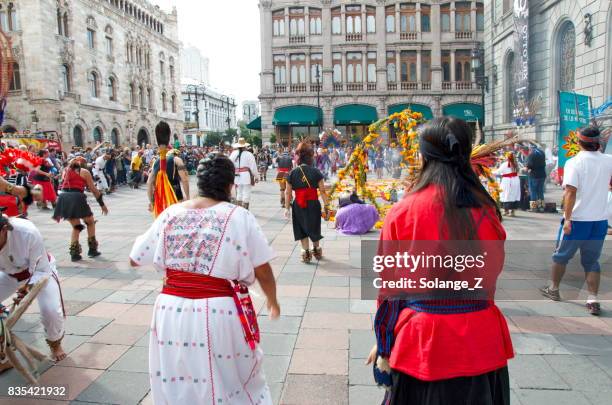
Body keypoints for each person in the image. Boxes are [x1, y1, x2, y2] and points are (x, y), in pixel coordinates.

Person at [367, 117, 513, 404]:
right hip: (481, 341)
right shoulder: (486, 209)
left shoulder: (403, 210)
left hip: (423, 342)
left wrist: (384, 342)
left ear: (423, 155)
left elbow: (389, 288)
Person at [129, 154, 280, 405]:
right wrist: (273, 300)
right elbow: (262, 269)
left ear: (200, 182)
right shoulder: (238, 216)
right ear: (230, 185)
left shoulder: (171, 213)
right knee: (229, 377)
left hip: (170, 308)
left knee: (176, 374)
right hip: (218, 309)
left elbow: (135, 258)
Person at [540, 126, 612, 315]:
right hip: (600, 220)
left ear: (578, 142)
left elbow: (570, 192)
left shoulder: (575, 162)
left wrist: (568, 219)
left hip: (578, 220)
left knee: (561, 256)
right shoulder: (608, 160)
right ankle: (593, 299)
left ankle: (554, 289)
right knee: (592, 261)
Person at [0, 214, 66, 365]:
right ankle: (3, 353)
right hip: (7, 274)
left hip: (39, 272)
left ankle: (55, 344)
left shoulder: (26, 232)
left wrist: (28, 288)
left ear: (4, 229)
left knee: (50, 311)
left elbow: (41, 269)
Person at [53, 157, 109, 261]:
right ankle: (92, 250)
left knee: (76, 226)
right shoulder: (84, 172)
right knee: (90, 222)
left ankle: (74, 254)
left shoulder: (65, 170)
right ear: (83, 164)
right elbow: (94, 190)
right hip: (76, 197)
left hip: (63, 198)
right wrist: (102, 205)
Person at [284, 142, 330, 263]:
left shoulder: (292, 173)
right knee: (314, 226)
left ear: (298, 157)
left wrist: (286, 208)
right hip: (314, 203)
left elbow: (287, 193)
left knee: (301, 228)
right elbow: (323, 191)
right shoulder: (316, 172)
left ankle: (306, 253)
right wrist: (327, 206)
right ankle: (316, 249)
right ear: (310, 157)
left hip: (298, 205)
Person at [229, 138, 258, 209]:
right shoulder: (249, 154)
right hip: (245, 175)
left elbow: (229, 164)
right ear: (245, 146)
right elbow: (253, 167)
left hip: (236, 175)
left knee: (239, 192)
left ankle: (239, 208)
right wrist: (256, 176)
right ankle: (245, 209)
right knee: (246, 192)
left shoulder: (233, 154)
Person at [495, 152, 521, 216]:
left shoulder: (505, 164)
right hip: (515, 180)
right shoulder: (516, 164)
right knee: (513, 195)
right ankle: (512, 211)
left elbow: (498, 172)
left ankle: (506, 211)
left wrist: (489, 171)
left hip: (507, 181)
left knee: (506, 195)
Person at [526, 143, 547, 212]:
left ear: (530, 148)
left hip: (534, 175)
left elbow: (529, 166)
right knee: (540, 191)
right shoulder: (542, 153)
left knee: (533, 191)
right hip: (542, 175)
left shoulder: (531, 155)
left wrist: (525, 169)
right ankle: (541, 207)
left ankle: (534, 207)